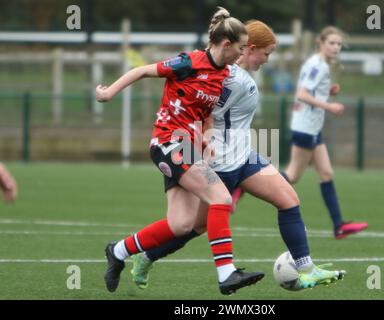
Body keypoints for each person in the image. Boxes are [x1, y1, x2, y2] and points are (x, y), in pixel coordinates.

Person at [130, 20, 346, 292]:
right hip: (218, 159)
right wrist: (199, 137)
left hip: (244, 154)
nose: (268, 60)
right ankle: (146, 256)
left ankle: (306, 268)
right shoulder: (223, 74)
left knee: (289, 199)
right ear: (250, 49)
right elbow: (195, 105)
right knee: (193, 227)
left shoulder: (238, 73)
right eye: (266, 53)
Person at [96, 7, 265, 295]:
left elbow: (206, 112)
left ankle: (118, 252)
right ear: (226, 44)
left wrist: (207, 137)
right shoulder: (188, 62)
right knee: (221, 196)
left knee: (181, 224)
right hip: (168, 143)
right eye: (239, 48)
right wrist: (109, 92)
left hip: (187, 146)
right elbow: (143, 70)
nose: (241, 55)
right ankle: (226, 274)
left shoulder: (222, 75)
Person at [279, 26, 368, 239]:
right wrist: (330, 106)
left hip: (312, 128)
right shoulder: (318, 66)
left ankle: (339, 226)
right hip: (306, 128)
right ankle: (244, 183)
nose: (336, 47)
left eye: (339, 44)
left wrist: (327, 92)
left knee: (326, 174)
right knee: (291, 175)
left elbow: (308, 90)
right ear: (321, 43)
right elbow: (302, 94)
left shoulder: (318, 65)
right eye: (332, 43)